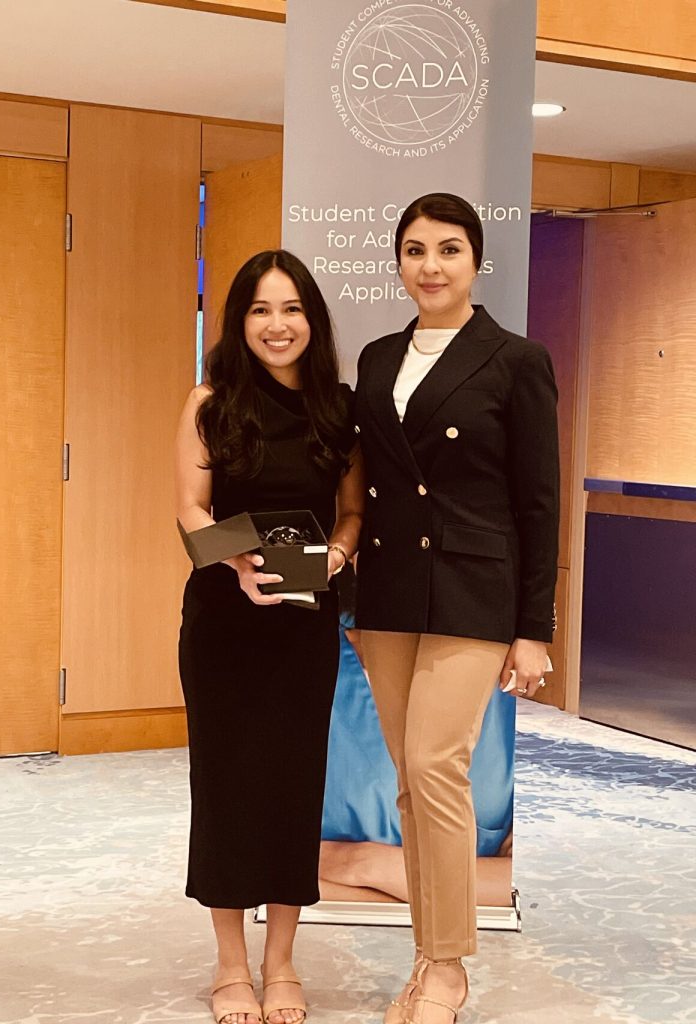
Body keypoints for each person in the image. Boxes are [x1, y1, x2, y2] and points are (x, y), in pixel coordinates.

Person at [354, 193, 559, 1023]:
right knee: (410, 778)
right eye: (414, 250)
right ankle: (425, 954)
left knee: (437, 766)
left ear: (476, 261)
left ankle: (448, 969)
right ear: (398, 262)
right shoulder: (373, 357)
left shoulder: (515, 359)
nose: (429, 266)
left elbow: (539, 502)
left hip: (476, 589)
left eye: (447, 250)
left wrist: (534, 630)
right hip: (387, 588)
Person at [176, 250, 363, 1024]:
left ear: (312, 321)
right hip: (223, 618)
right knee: (224, 786)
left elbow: (354, 512)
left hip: (305, 619)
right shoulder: (208, 402)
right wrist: (242, 564)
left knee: (293, 784)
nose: (277, 325)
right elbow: (191, 512)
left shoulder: (338, 409)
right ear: (239, 320)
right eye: (260, 309)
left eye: (292, 309)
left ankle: (281, 962)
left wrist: (336, 559)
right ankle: (229, 965)